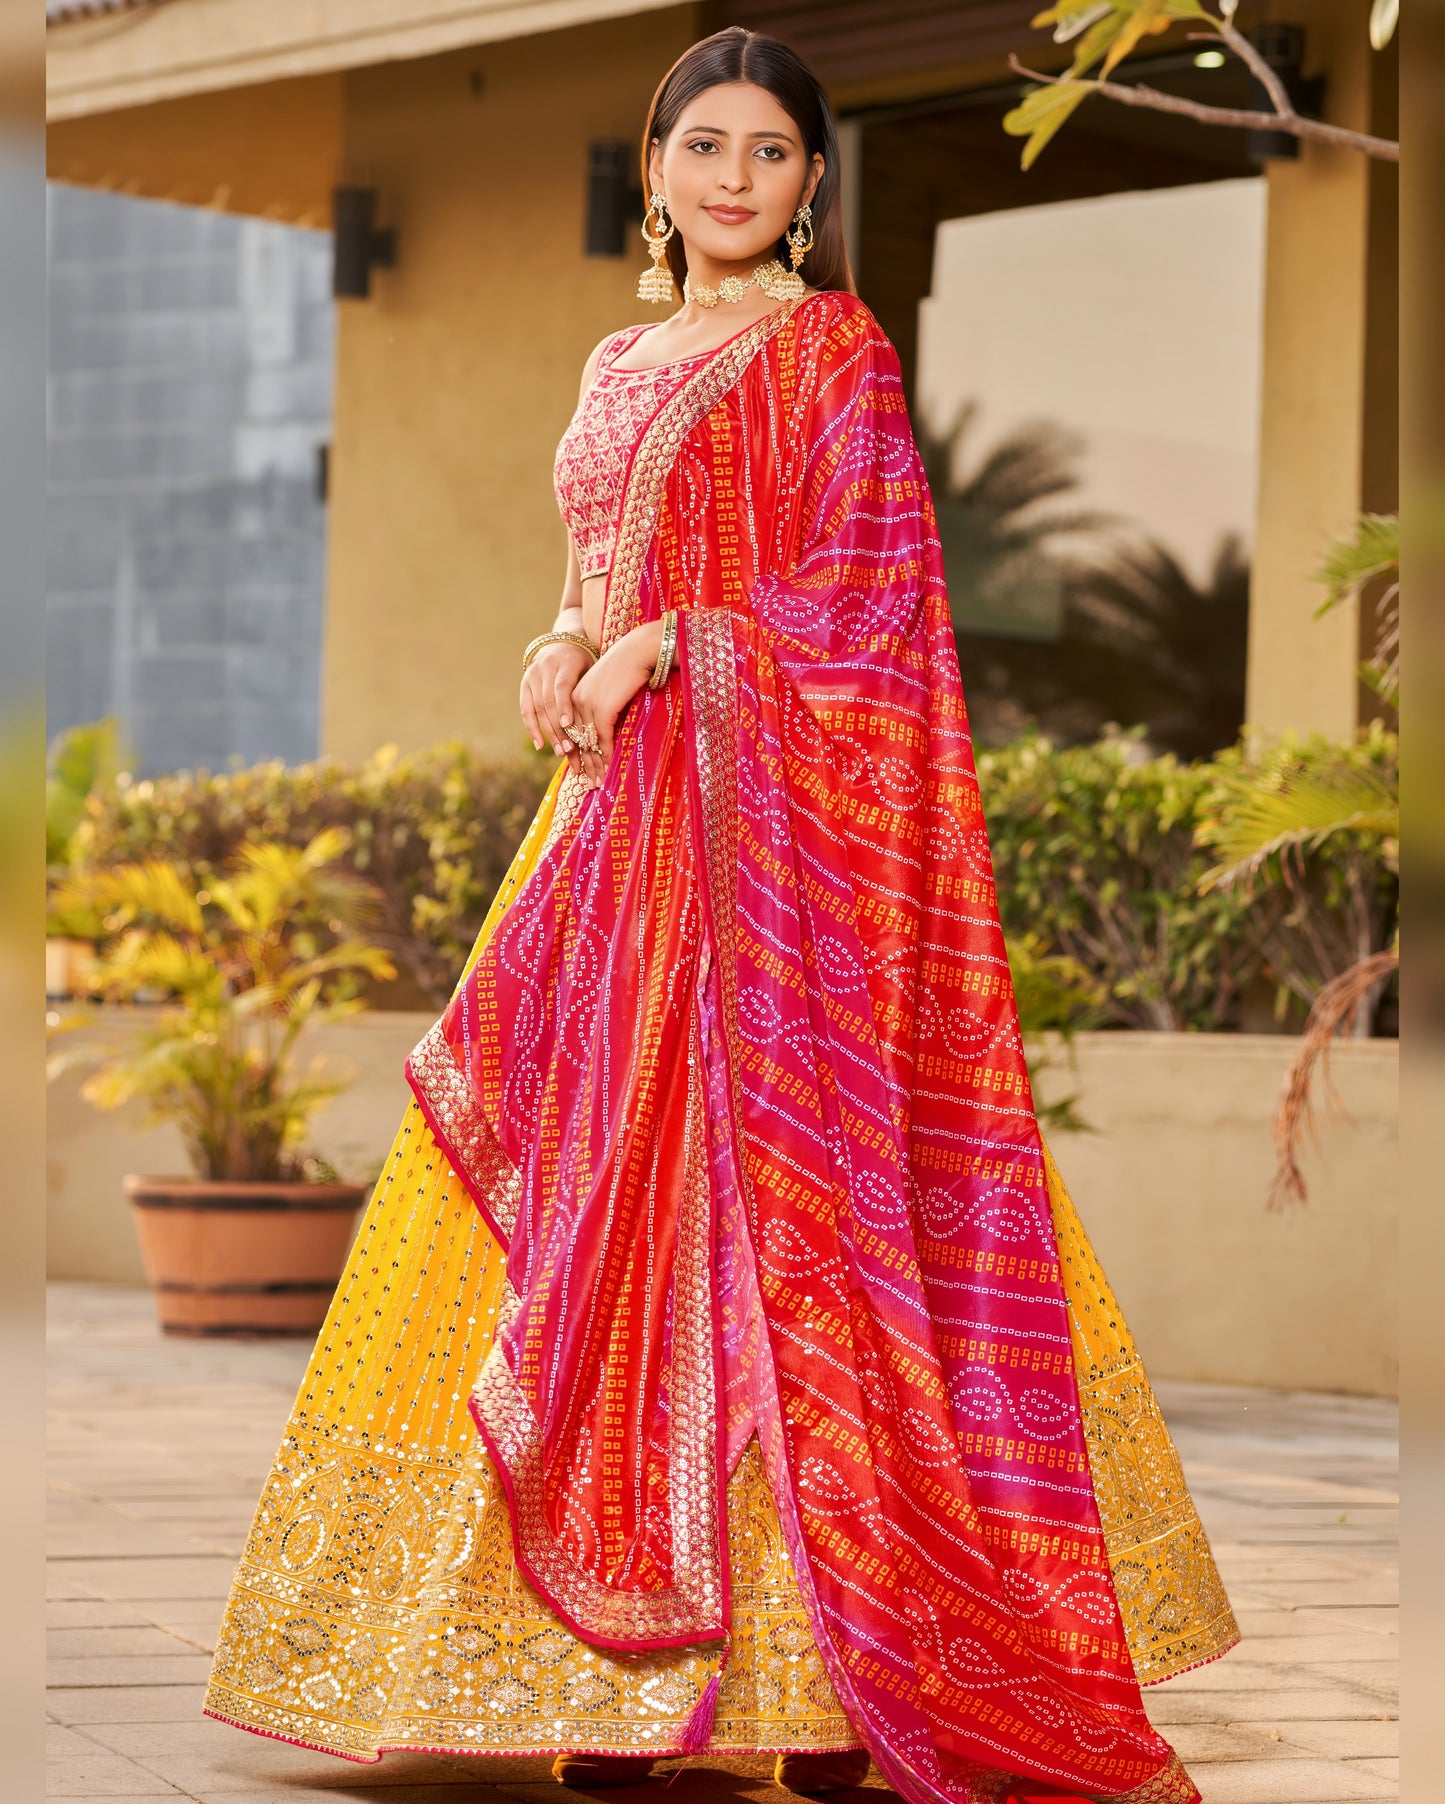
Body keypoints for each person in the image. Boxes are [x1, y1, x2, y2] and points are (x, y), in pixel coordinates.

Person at [203, 27, 1238, 1803]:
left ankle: (825, 1683)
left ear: (812, 185)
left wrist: (677, 644)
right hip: (613, 838)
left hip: (773, 868)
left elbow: (874, 613)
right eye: (705, 146)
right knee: (597, 1206)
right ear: (658, 165)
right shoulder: (619, 360)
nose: (735, 177)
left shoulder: (832, 350)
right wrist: (555, 646)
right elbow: (584, 564)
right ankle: (600, 1684)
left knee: (781, 1220)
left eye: (770, 152)